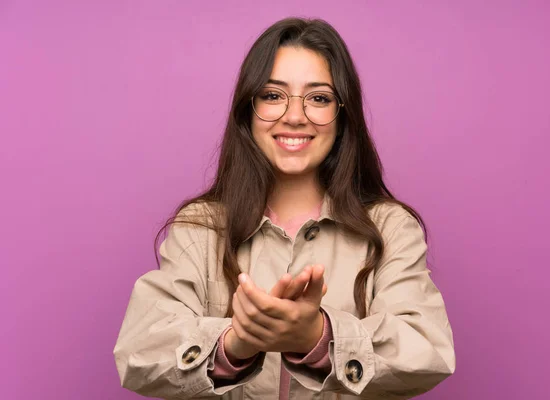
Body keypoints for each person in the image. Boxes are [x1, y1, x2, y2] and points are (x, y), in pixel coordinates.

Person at [113, 17, 456, 400]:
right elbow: (138, 352)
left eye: (319, 98)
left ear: (343, 116)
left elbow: (428, 351)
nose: (294, 116)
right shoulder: (200, 227)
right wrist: (233, 345)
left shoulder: (391, 228)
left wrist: (318, 337)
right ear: (248, 108)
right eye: (273, 95)